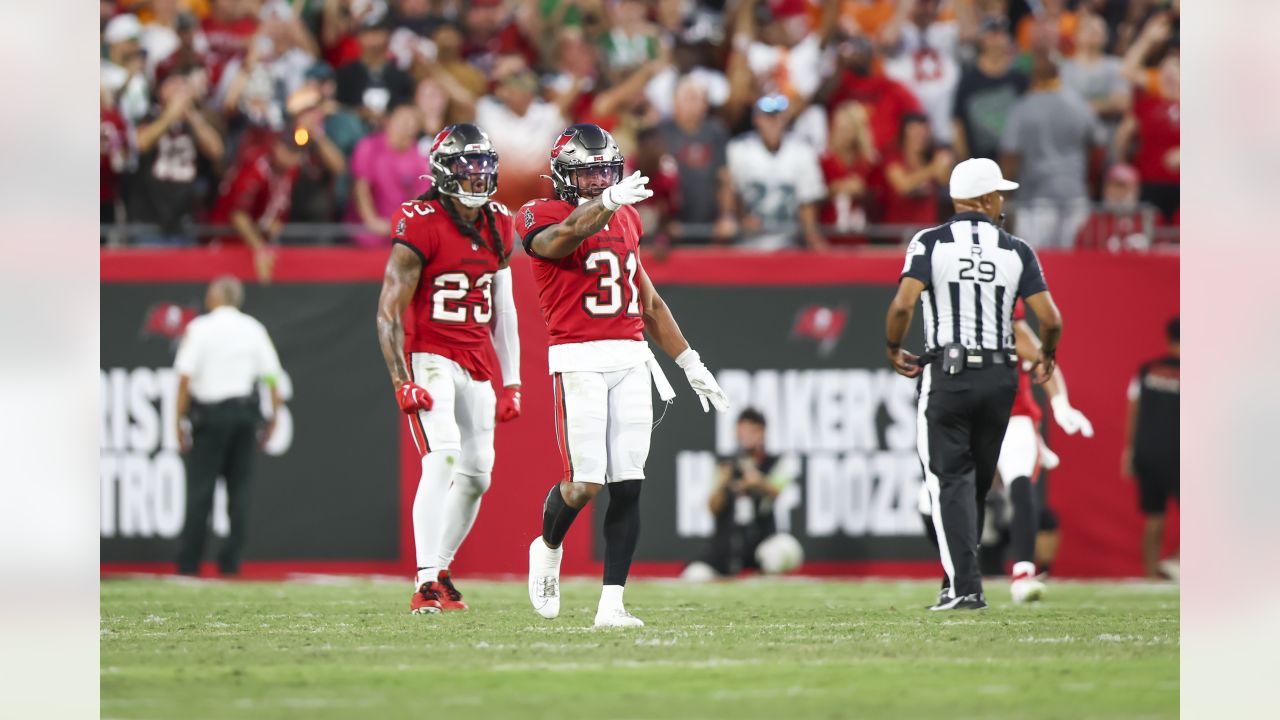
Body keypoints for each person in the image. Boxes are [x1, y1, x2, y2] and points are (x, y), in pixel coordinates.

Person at [520, 123, 730, 628]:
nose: (597, 182)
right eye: (588, 174)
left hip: (631, 355)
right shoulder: (539, 212)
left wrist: (689, 362)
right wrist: (609, 200)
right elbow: (563, 238)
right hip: (578, 357)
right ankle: (547, 546)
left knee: (629, 483)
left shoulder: (627, 217)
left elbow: (649, 300)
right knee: (584, 484)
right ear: (565, 177)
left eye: (605, 173)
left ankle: (612, 604)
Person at [885, 157, 1063, 610]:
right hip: (1001, 378)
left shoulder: (930, 241)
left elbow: (904, 305)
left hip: (950, 374)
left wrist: (892, 345)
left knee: (949, 483)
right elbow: (1050, 319)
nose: (1003, 200)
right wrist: (1047, 353)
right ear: (985, 199)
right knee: (975, 485)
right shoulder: (1016, 249)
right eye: (999, 193)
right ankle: (960, 583)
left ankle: (964, 586)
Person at [374, 123, 523, 614]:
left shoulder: (500, 222)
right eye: (467, 167)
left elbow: (506, 309)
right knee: (442, 456)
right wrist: (402, 380)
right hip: (430, 355)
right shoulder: (419, 219)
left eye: (484, 168)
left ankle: (440, 568)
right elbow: (389, 311)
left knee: (479, 476)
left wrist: (513, 380)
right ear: (443, 170)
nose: (478, 178)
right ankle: (423, 584)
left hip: (477, 363)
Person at [173, 276, 283, 576]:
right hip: (245, 417)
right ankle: (230, 564)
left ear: (214, 297)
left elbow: (184, 378)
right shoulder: (253, 328)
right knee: (240, 492)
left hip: (209, 418)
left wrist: (177, 421)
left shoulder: (200, 328)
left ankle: (189, 565)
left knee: (200, 493)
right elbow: (272, 376)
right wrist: (273, 415)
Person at [998, 300, 1093, 603]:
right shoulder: (948, 319)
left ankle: (1023, 573)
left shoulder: (1008, 325)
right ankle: (956, 576)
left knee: (1021, 485)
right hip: (965, 419)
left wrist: (1060, 402)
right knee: (935, 499)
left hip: (1013, 416)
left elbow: (1042, 357)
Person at [1000, 51, 1104, 249]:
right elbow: (1098, 147)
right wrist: (1089, 180)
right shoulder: (1079, 105)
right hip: (1075, 196)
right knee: (1075, 267)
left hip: (1035, 202)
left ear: (1034, 76)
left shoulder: (1022, 108)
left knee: (1038, 267)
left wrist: (1004, 197)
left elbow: (1010, 158)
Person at [700, 409, 795, 577]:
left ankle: (763, 577)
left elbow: (778, 491)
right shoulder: (724, 464)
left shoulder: (775, 462)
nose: (747, 435)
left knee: (784, 547)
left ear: (763, 432)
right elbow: (712, 507)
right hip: (727, 544)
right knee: (696, 574)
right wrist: (723, 483)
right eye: (743, 430)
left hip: (760, 541)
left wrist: (757, 481)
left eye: (753, 430)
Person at [725, 94, 827, 249]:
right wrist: (739, 217)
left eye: (778, 116)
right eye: (767, 116)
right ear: (756, 119)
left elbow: (807, 201)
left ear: (786, 118)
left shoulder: (802, 151)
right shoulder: (739, 149)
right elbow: (730, 190)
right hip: (748, 244)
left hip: (789, 244)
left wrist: (811, 236)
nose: (773, 121)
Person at [1122, 317, 1180, 579]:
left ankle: (1150, 577)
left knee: (1154, 518)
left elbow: (1134, 408)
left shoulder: (1147, 370)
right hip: (1179, 452)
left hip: (1146, 452)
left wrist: (1129, 451)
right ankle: (1176, 562)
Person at [207, 131, 307, 282]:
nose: (292, 156)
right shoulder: (255, 168)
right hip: (226, 242)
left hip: (255, 243)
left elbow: (278, 207)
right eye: (288, 150)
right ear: (276, 146)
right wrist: (260, 247)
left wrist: (273, 225)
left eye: (297, 152)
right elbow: (238, 215)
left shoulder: (291, 171)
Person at [654, 77, 735, 244]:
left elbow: (724, 179)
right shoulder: (661, 133)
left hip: (711, 224)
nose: (692, 104)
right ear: (675, 102)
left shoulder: (715, 132)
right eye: (687, 98)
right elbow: (652, 181)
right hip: (673, 225)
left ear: (705, 104)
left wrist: (726, 216)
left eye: (696, 98)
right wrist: (664, 222)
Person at [348, 103, 430, 247]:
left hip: (401, 236)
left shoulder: (419, 158)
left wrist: (401, 226)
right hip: (362, 236)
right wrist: (372, 221)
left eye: (413, 121)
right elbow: (361, 187)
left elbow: (420, 199)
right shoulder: (368, 146)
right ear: (389, 121)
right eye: (402, 120)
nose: (406, 125)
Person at [951, 17, 1026, 162]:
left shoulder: (1019, 79)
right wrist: (964, 160)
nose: (998, 39)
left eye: (1002, 33)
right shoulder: (968, 81)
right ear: (982, 39)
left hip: (1016, 163)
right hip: (981, 163)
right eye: (993, 33)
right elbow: (958, 123)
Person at [819, 101, 878, 244]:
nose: (842, 134)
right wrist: (832, 190)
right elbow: (811, 198)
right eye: (840, 128)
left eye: (848, 129)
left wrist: (864, 191)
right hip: (829, 236)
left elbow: (881, 200)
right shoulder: (824, 161)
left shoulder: (870, 162)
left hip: (862, 236)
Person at [881, 113, 952, 231]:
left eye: (923, 132)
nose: (919, 137)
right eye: (915, 132)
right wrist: (933, 168)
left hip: (928, 228)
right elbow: (903, 186)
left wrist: (945, 163)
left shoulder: (932, 155)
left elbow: (944, 180)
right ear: (904, 134)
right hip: (898, 230)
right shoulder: (894, 157)